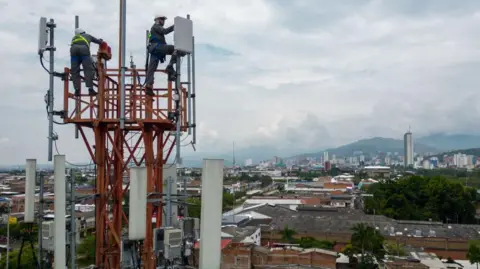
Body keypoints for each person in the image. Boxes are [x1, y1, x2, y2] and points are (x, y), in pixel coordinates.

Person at [144, 14, 182, 96]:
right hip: (158, 47)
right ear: (157, 20)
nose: (163, 21)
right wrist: (175, 26)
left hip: (155, 50)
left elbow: (150, 37)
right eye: (162, 19)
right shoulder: (156, 26)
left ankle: (148, 86)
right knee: (176, 49)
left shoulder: (153, 29)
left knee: (151, 68)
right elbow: (165, 31)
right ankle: (170, 66)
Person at [70, 28, 103, 96]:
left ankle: (77, 90)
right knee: (88, 70)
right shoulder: (87, 35)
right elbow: (98, 41)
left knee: (74, 71)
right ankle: (90, 89)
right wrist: (101, 41)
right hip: (84, 51)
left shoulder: (74, 38)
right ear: (83, 32)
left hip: (73, 51)